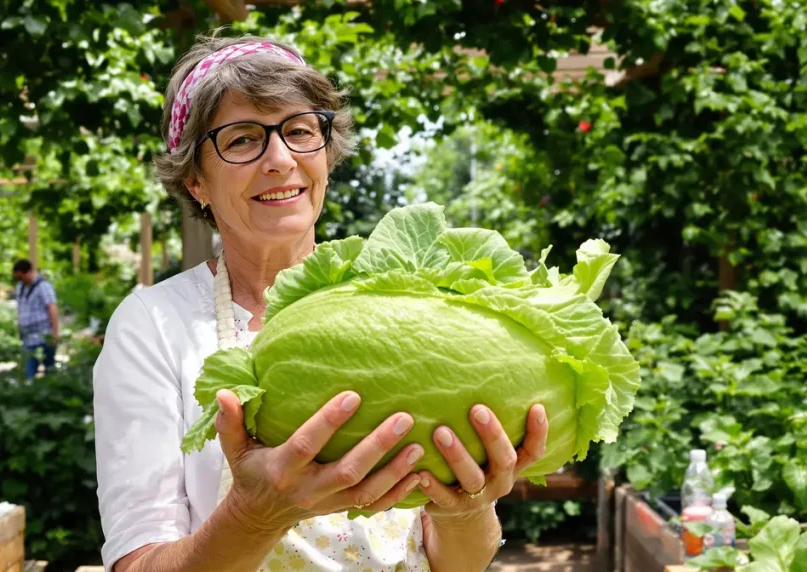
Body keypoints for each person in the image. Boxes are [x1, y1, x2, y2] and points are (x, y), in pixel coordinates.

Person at [92, 34, 551, 572]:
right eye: (242, 140)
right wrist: (255, 514)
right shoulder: (153, 326)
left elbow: (459, 561)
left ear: (326, 155)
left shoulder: (406, 299)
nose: (280, 159)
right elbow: (138, 563)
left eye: (300, 131)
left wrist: (464, 511)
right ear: (195, 180)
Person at [12, 259, 60, 379]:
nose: (20, 280)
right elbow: (21, 308)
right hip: (28, 338)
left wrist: (55, 333)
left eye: (21, 277)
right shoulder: (21, 287)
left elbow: (52, 309)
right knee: (29, 372)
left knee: (49, 370)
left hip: (44, 336)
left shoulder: (43, 286)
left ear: (29, 272)